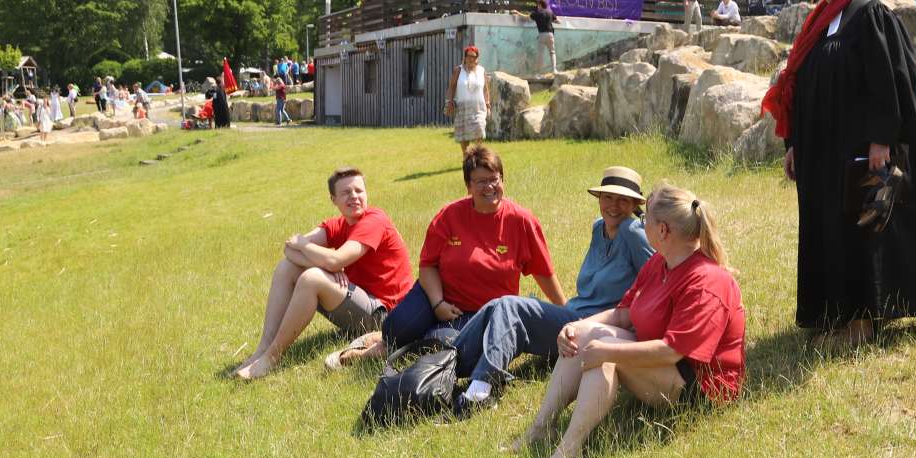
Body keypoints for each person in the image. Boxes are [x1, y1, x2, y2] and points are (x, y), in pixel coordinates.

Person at [768, 0, 916, 350]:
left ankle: (862, 322)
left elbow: (888, 82)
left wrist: (882, 140)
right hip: (822, 153)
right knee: (828, 228)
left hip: (860, 152)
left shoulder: (868, 14)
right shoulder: (821, 19)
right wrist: (793, 142)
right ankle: (833, 311)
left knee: (861, 228)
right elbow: (805, 85)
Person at [504, 184, 745, 458]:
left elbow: (671, 352)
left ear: (663, 231)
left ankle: (567, 454)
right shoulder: (661, 261)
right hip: (664, 363)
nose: (641, 225)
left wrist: (608, 350)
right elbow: (622, 316)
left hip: (699, 388)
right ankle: (540, 428)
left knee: (604, 351)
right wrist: (576, 327)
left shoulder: (707, 281)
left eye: (645, 221)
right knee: (585, 336)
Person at [450, 165, 654, 406]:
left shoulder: (633, 232)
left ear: (633, 204)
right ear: (599, 198)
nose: (613, 205)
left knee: (510, 307)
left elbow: (658, 278)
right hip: (575, 314)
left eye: (622, 200)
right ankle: (447, 366)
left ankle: (479, 391)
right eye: (608, 197)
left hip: (593, 326)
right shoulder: (599, 227)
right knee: (498, 306)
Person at [372, 145, 565, 356]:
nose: (489, 186)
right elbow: (428, 265)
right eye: (481, 181)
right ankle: (385, 340)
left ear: (503, 180)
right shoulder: (449, 216)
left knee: (443, 345)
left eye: (494, 179)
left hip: (480, 313)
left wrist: (565, 313)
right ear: (468, 186)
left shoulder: (522, 221)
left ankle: (411, 341)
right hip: (437, 296)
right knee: (394, 328)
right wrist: (438, 304)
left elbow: (543, 271)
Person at [234, 168, 414, 380]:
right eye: (346, 192)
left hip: (387, 316)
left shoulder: (374, 220)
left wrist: (309, 248)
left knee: (312, 279)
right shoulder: (337, 225)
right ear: (333, 199)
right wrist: (325, 264)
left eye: (359, 190)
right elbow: (289, 250)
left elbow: (332, 258)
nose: (354, 196)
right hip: (363, 304)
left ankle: (271, 358)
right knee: (286, 267)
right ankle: (262, 349)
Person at [445, 45, 490, 158]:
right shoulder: (458, 70)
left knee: (479, 130)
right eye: (469, 56)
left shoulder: (481, 71)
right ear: (465, 57)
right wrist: (449, 101)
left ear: (477, 58)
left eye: (474, 57)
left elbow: (485, 89)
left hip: (478, 108)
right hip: (462, 109)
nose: (471, 59)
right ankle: (466, 157)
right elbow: (451, 87)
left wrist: (488, 104)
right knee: (463, 137)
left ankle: (478, 157)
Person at [510, 0, 558, 75]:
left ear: (540, 5)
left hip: (542, 35)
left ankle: (539, 73)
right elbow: (556, 20)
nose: (537, 6)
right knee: (552, 52)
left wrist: (517, 13)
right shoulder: (550, 12)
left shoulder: (537, 13)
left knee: (540, 55)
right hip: (550, 35)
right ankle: (554, 70)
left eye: (538, 5)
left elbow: (526, 17)